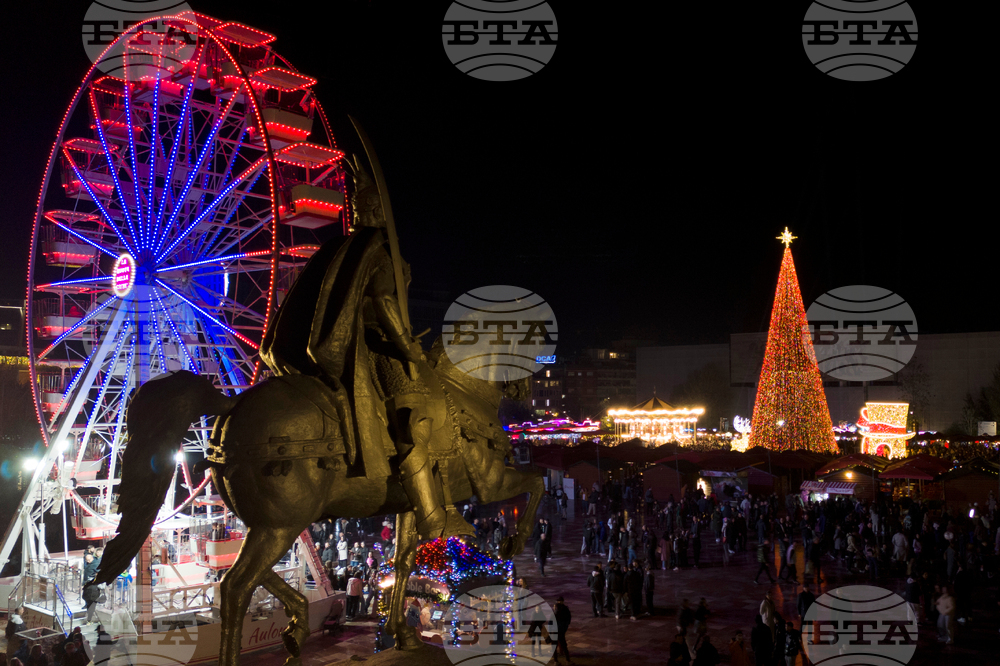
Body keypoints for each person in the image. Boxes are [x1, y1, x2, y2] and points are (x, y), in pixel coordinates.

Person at [553, 596, 572, 664]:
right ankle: (567, 660)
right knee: (563, 645)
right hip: (561, 631)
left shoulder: (555, 612)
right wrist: (565, 628)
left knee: (555, 646)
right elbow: (568, 620)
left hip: (555, 631)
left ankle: (556, 661)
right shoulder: (565, 609)